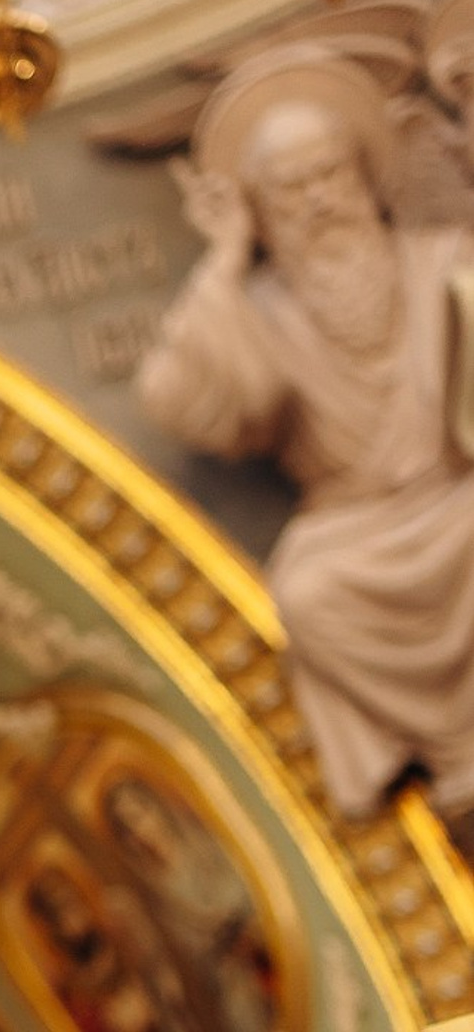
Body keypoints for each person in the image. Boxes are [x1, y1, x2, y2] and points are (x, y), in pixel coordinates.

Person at [137, 46, 474, 828]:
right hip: (355, 519)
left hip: (455, 494)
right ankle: (458, 758)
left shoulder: (442, 261)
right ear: (261, 210)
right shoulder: (255, 309)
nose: (317, 201)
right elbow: (182, 401)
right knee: (307, 591)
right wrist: (220, 261)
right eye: (290, 191)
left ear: (364, 175)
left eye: (328, 175)